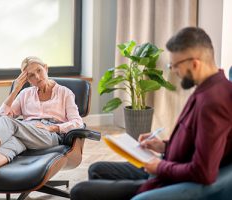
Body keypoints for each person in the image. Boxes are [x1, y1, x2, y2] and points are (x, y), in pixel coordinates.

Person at [70, 27, 232, 200]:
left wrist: (160, 167)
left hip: (169, 180)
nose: (174, 71)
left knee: (79, 191)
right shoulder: (210, 89)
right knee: (97, 169)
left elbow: (203, 172)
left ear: (194, 63)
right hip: (167, 165)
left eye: (175, 65)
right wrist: (163, 146)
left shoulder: (213, 102)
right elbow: (197, 142)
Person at [0, 56, 84, 182]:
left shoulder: (64, 93)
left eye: (39, 70)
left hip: (49, 135)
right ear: (27, 79)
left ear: (46, 68)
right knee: (12, 142)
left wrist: (53, 127)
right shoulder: (25, 94)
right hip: (26, 133)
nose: (37, 77)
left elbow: (78, 122)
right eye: (31, 75)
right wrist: (15, 91)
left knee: (9, 123)